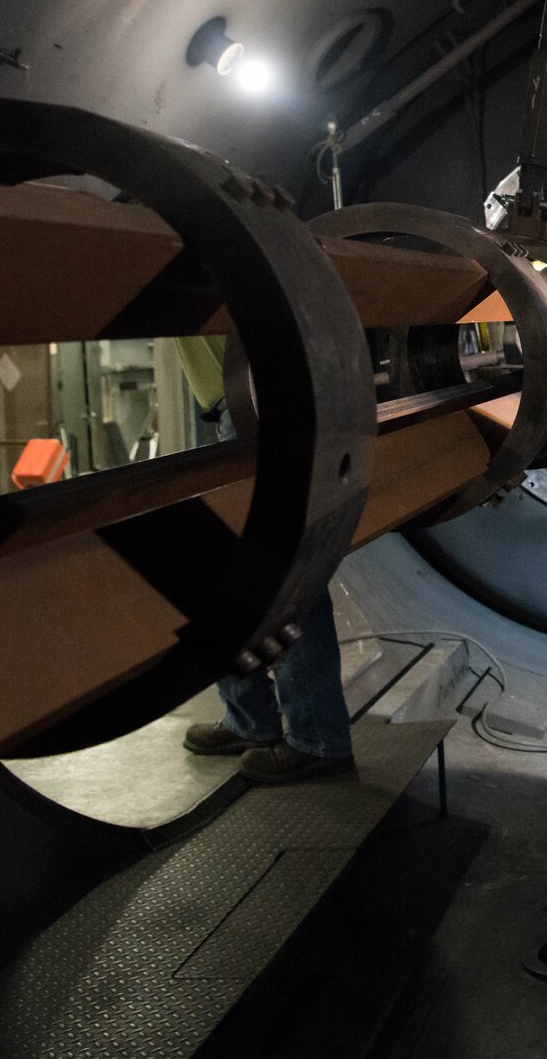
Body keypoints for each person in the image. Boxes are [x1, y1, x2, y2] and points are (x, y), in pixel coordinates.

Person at [175, 335, 356, 783]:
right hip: (242, 406)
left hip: (255, 407)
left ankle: (318, 739)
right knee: (233, 577)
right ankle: (251, 719)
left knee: (288, 582)